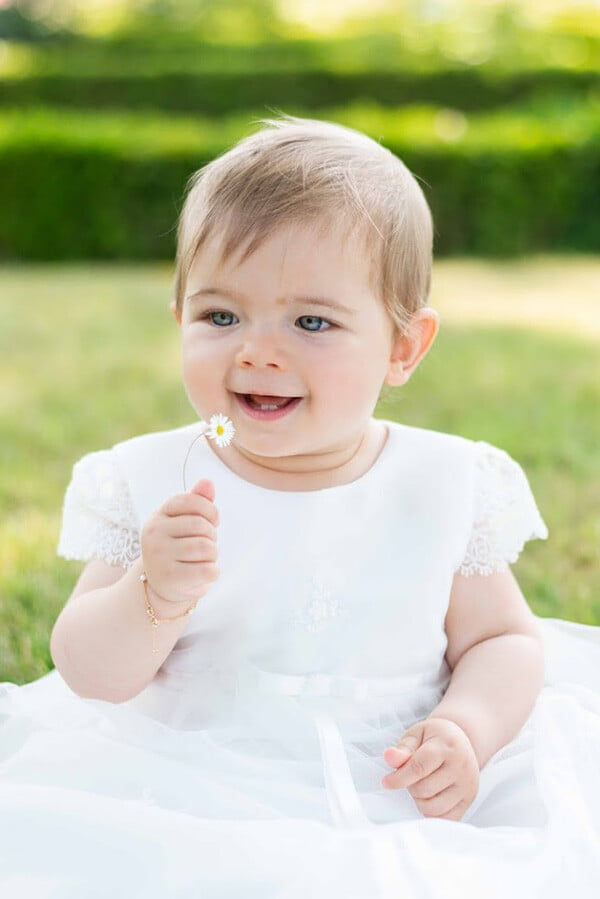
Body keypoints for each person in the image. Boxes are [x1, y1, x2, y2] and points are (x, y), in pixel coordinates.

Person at [1, 114, 599, 899]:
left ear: (403, 348)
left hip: (391, 768)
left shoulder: (445, 480)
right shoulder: (153, 477)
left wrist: (467, 728)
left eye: (312, 321)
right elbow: (89, 672)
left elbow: (502, 639)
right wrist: (154, 592)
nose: (256, 350)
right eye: (221, 316)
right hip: (187, 769)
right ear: (180, 317)